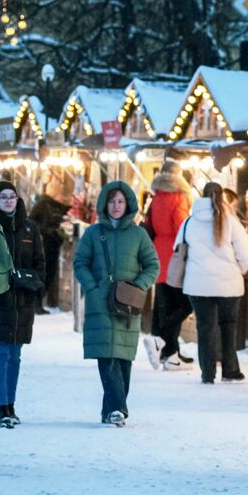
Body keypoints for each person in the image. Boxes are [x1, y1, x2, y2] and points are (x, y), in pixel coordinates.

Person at [73, 181, 159, 425]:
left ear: (128, 203)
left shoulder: (138, 234)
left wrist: (138, 286)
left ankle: (110, 410)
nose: (116, 205)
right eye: (112, 201)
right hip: (100, 301)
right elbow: (80, 263)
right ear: (104, 203)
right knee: (106, 356)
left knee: (123, 358)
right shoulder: (92, 233)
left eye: (121, 201)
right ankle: (118, 408)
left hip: (127, 302)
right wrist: (93, 286)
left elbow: (153, 265)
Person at [0, 181, 45, 428]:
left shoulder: (30, 229)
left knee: (15, 354)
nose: (9, 201)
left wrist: (32, 284)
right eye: (3, 197)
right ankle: (1, 407)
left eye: (12, 196)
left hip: (23, 302)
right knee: (1, 353)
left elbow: (41, 264)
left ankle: (11, 405)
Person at [182, 181, 248, 384]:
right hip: (228, 284)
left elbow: (179, 247)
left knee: (205, 329)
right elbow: (243, 251)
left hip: (198, 285)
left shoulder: (190, 221)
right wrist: (239, 270)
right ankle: (230, 369)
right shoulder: (230, 220)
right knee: (228, 327)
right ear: (222, 197)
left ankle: (208, 373)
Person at [143, 160, 194, 370]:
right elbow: (181, 226)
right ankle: (164, 343)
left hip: (158, 252)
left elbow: (149, 225)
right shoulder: (179, 197)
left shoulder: (156, 198)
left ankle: (169, 350)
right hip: (174, 254)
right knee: (183, 304)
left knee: (165, 304)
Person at [29, 192, 68, 310]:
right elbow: (31, 220)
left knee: (50, 273)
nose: (63, 196)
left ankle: (39, 302)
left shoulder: (60, 206)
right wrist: (45, 230)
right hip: (44, 243)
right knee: (43, 273)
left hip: (54, 243)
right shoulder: (43, 203)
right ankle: (36, 303)